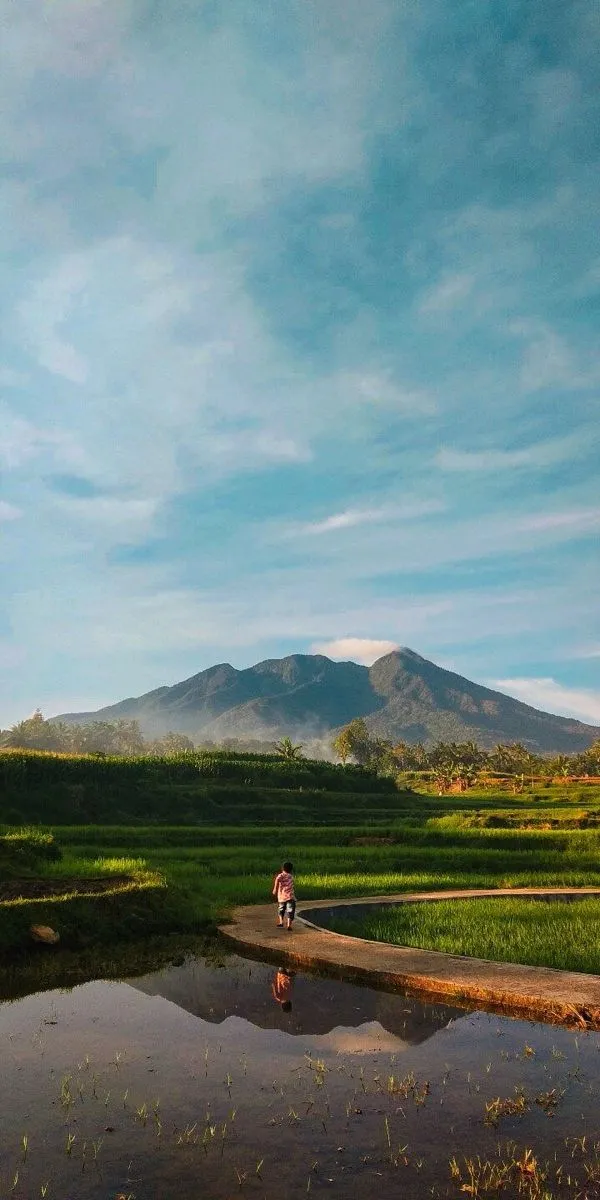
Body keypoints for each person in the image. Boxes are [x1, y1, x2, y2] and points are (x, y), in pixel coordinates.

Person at [272, 859, 296, 931]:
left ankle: (281, 922)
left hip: (282, 896)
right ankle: (289, 925)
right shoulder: (291, 877)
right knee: (290, 910)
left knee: (281, 909)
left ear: (282, 868)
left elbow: (277, 879)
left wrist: (275, 889)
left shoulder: (281, 875)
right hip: (290, 896)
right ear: (291, 869)